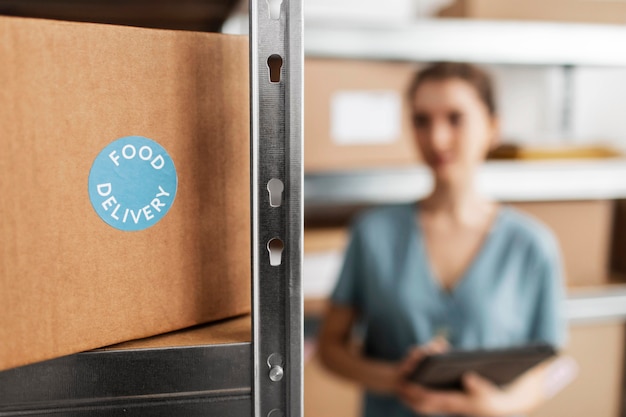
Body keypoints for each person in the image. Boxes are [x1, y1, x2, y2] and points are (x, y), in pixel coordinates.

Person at [317, 62, 575, 417]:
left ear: (493, 128)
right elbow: (331, 348)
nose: (437, 138)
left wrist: (499, 406)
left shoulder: (532, 246)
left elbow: (544, 366)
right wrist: (394, 377)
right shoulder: (372, 233)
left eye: (455, 118)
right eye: (422, 121)